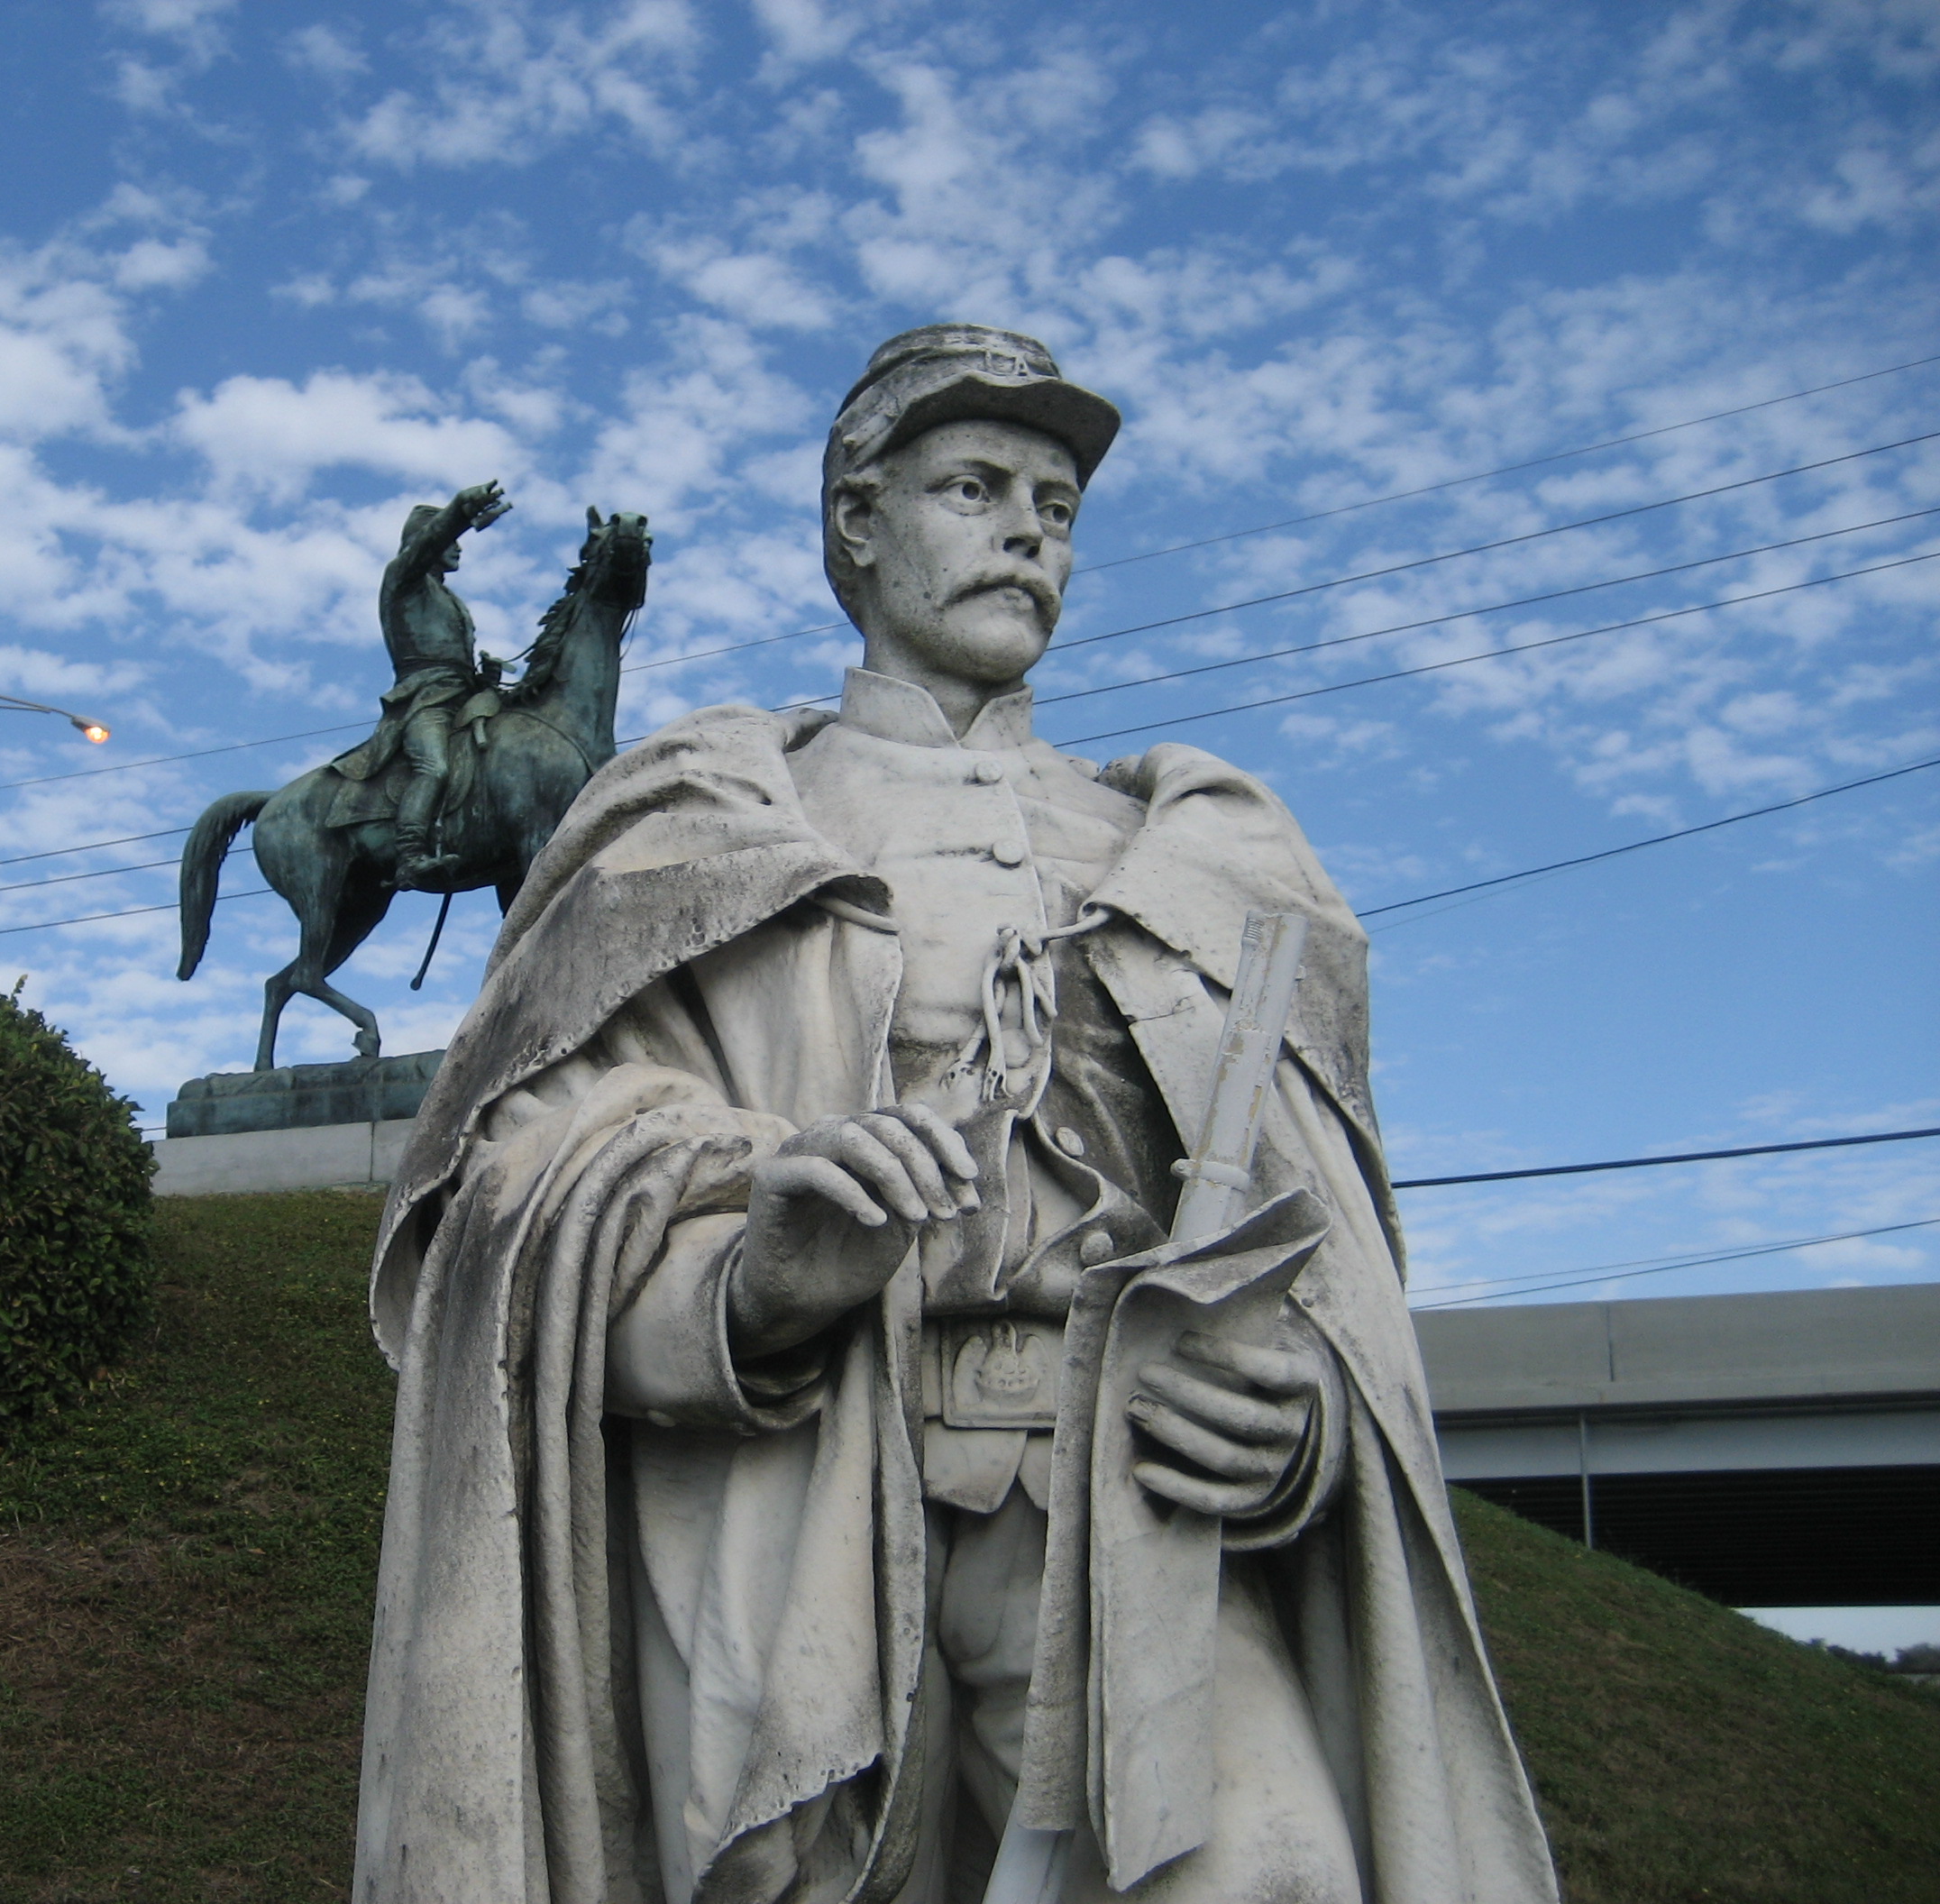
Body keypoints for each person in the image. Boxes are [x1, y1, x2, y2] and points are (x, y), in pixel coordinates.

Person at [354, 327, 1559, 1903]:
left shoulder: (1202, 856)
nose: (1027, 532)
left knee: (1274, 1872)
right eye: (974, 486)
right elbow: (514, 1212)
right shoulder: (700, 825)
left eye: (1055, 506)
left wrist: (1302, 1425)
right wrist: (749, 1288)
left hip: (1131, 1512)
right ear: (858, 522)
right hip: (784, 1540)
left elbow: (1319, 1254)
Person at [353, 479, 513, 890]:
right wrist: (461, 511)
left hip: (461, 696)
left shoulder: (450, 599)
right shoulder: (403, 580)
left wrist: (485, 678)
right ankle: (410, 856)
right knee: (434, 766)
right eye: (448, 540)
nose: (457, 547)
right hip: (423, 700)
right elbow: (427, 544)